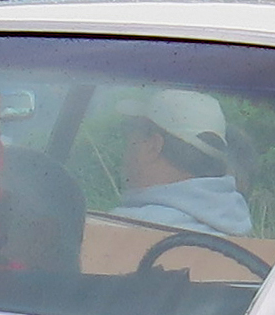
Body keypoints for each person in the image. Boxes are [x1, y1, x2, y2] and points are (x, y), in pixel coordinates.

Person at [106, 89, 252, 236]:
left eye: (131, 139)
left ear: (153, 146)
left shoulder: (117, 230)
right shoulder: (240, 230)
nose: (125, 152)